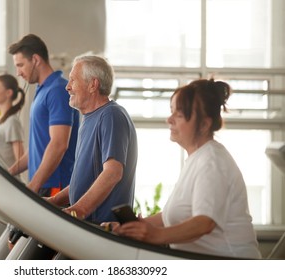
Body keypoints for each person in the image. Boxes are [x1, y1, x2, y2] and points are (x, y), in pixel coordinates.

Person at [109, 78, 262, 259]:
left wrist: (154, 235)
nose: (169, 119)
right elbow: (173, 214)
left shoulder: (212, 161)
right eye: (171, 111)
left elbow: (204, 222)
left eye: (179, 115)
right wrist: (136, 226)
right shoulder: (197, 158)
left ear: (204, 124)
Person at [47, 55, 138, 224]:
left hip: (101, 228)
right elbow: (85, 179)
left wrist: (78, 210)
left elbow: (112, 172)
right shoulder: (89, 119)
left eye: (73, 80)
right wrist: (55, 201)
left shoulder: (111, 115)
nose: (67, 87)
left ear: (93, 85)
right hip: (86, 224)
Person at [8, 34, 79, 198]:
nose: (18, 73)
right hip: (42, 184)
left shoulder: (57, 90)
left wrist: (34, 185)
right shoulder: (42, 90)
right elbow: (35, 149)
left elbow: (59, 144)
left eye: (20, 65)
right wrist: (8, 173)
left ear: (35, 60)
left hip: (54, 185)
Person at [0, 74, 25, 171]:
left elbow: (20, 159)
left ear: (8, 93)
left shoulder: (12, 121)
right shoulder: (0, 120)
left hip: (8, 181)